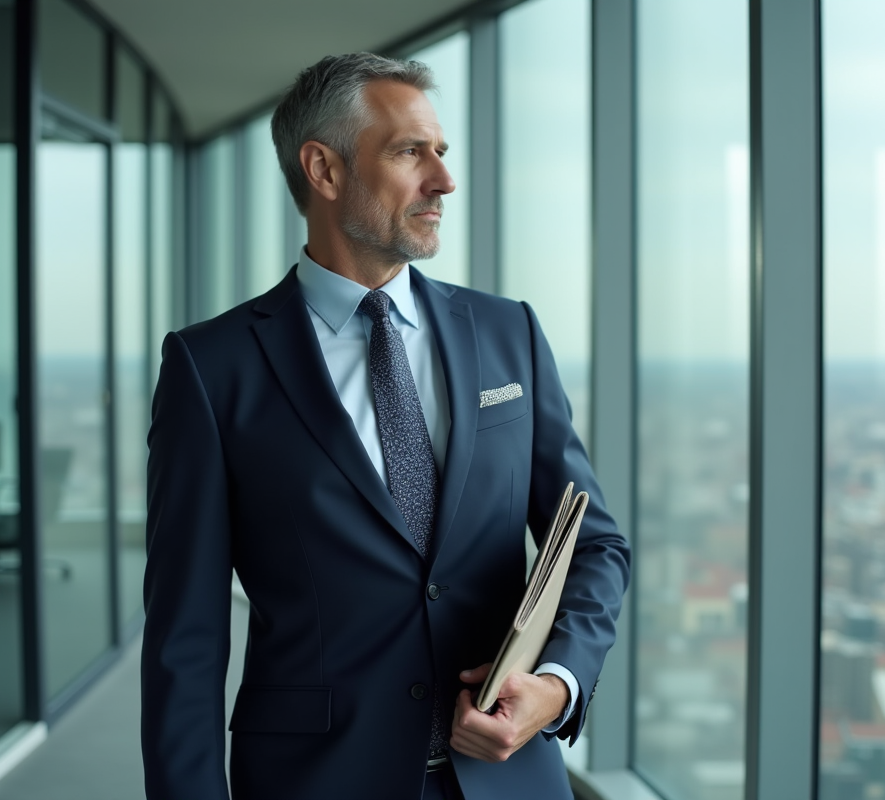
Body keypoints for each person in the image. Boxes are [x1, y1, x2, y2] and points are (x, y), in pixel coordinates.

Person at [141, 52, 630, 800]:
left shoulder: (510, 334)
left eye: (442, 152)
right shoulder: (212, 369)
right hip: (317, 781)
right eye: (411, 152)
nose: (444, 180)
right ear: (324, 170)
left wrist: (557, 684)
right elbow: (186, 640)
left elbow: (595, 542)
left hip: (509, 780)